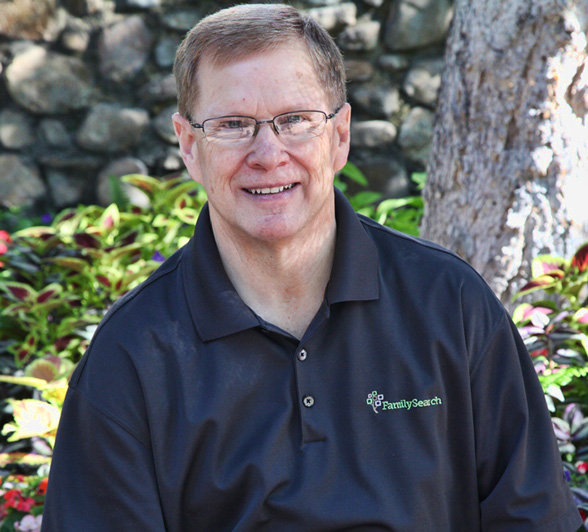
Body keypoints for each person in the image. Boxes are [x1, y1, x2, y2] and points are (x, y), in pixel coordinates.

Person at [42, 4, 582, 531]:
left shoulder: (450, 304)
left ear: (339, 135)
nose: (267, 153)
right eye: (233, 124)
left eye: (295, 120)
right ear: (189, 146)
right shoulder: (132, 354)